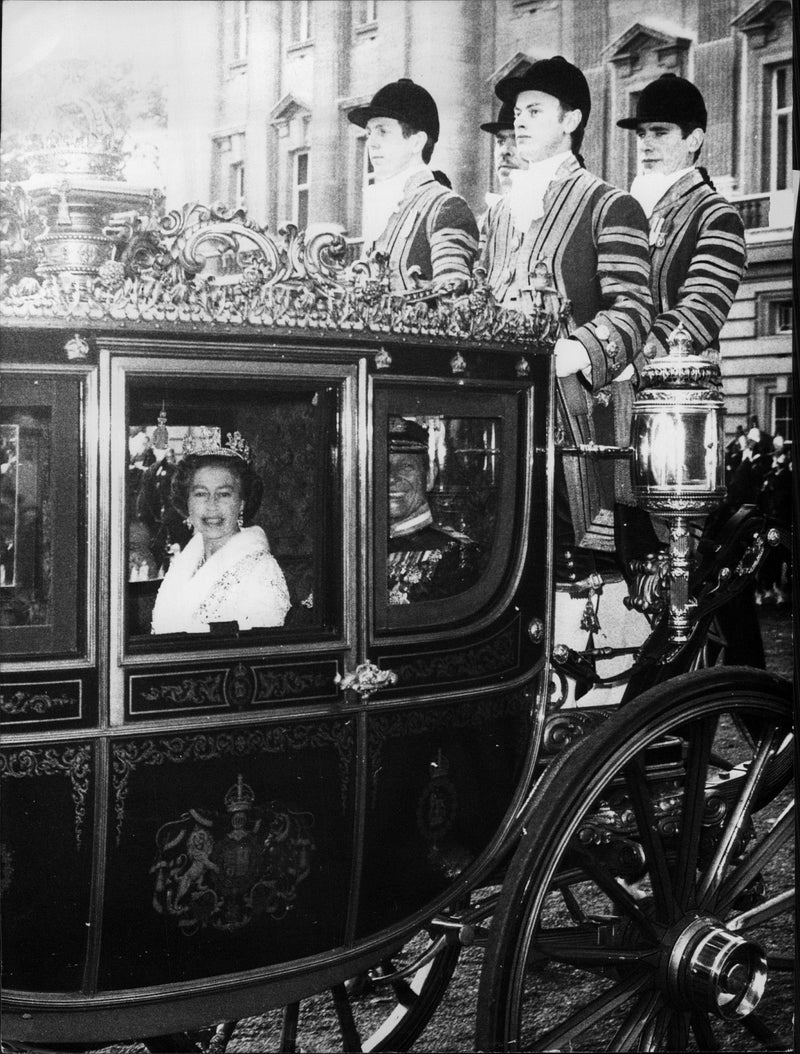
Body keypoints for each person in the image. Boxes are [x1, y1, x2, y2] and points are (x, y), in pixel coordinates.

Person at [480, 56, 652, 602]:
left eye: (534, 110)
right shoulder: (502, 215)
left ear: (571, 120)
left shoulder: (609, 204)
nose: (520, 120)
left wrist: (574, 349)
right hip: (507, 413)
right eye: (516, 111)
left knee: (580, 575)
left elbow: (633, 310)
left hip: (581, 421)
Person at [151, 430, 290, 634]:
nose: (211, 505)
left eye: (223, 494)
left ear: (241, 503)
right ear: (187, 503)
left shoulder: (262, 572)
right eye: (200, 494)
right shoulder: (185, 562)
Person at [348, 78, 479, 295]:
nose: (371, 143)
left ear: (416, 142)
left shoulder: (447, 207)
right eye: (369, 133)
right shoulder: (383, 204)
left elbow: (453, 301)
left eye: (383, 131)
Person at [387, 418, 480, 605]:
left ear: (429, 477)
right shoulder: (357, 546)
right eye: (383, 467)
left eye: (406, 466)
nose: (391, 478)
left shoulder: (455, 553)